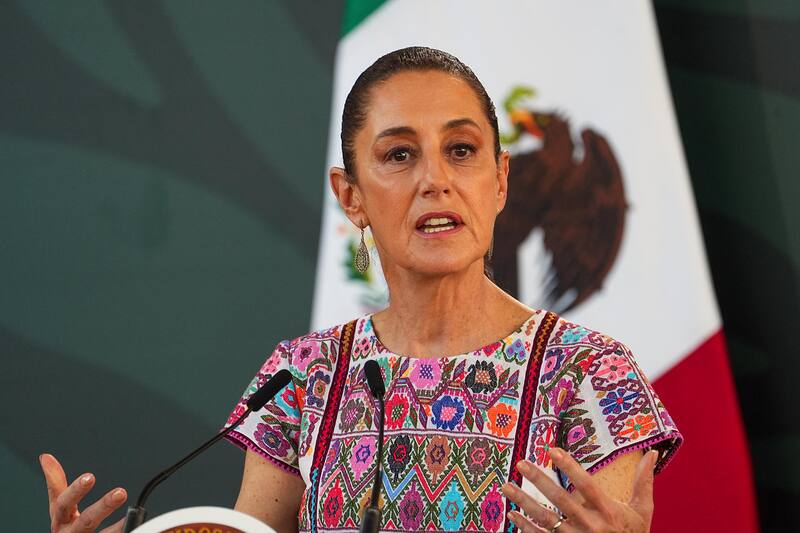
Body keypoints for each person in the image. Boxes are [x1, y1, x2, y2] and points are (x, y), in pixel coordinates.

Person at [41, 47, 681, 533]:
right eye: (399, 155)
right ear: (350, 196)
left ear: (500, 180)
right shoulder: (300, 376)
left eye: (461, 150)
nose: (436, 179)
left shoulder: (593, 374)